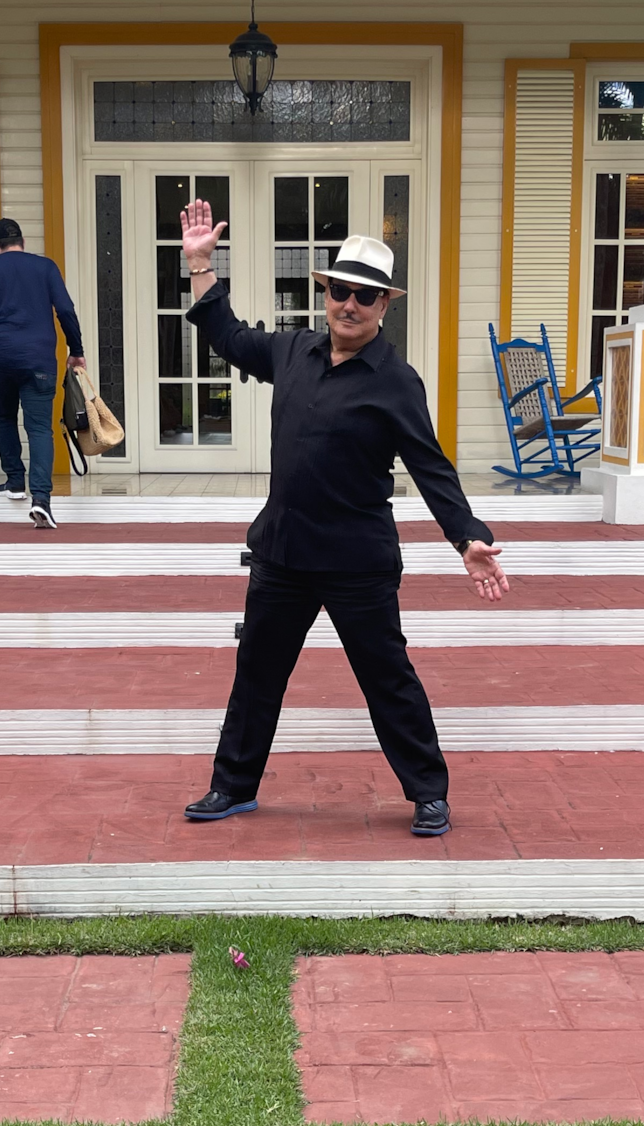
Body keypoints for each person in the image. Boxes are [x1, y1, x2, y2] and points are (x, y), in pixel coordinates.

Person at [179, 197, 508, 839]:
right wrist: (200, 267)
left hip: (357, 563)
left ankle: (428, 792)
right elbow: (229, 335)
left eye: (364, 296)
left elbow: (431, 466)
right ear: (325, 294)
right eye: (339, 292)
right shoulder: (293, 352)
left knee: (388, 680)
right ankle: (233, 785)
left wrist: (469, 537)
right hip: (282, 555)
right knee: (257, 677)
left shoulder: (395, 380)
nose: (348, 306)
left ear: (385, 306)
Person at [0, 217, 86, 529]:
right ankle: (41, 499)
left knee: (3, 416)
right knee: (40, 428)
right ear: (23, 242)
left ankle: (15, 481)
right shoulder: (46, 268)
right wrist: (76, 350)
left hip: (1, 357)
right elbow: (66, 310)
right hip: (40, 360)